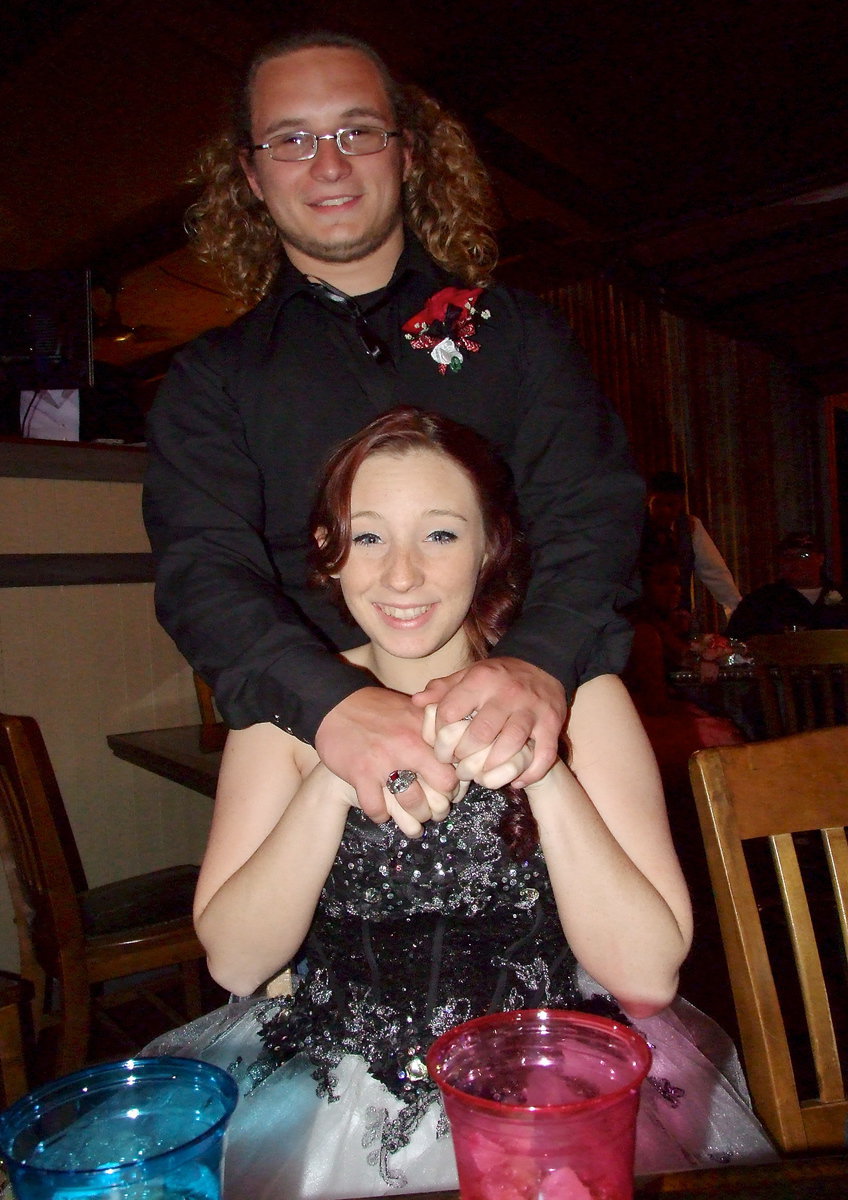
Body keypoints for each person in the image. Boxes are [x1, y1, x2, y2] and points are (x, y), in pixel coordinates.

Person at [148, 409, 774, 1199]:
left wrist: (542, 770)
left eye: (440, 534)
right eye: (369, 537)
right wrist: (334, 774)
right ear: (328, 552)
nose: (401, 575)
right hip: (332, 1099)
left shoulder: (583, 698)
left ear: (489, 547)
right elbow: (237, 964)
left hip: (552, 1095)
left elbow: (646, 977)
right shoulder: (282, 713)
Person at [142, 29, 645, 831]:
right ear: (251, 174)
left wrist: (539, 663)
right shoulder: (213, 379)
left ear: (407, 153)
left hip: (533, 739)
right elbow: (203, 573)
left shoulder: (521, 334)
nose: (329, 165)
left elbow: (593, 513)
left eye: (357, 131)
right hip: (308, 753)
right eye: (292, 139)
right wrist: (334, 704)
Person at [622, 556, 745, 794]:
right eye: (662, 582)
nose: (674, 589)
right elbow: (654, 703)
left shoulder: (659, 626)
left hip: (644, 718)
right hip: (640, 725)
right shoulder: (643, 632)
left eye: (677, 582)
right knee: (726, 736)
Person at [641, 471, 741, 619]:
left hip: (678, 619)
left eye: (671, 504)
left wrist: (738, 615)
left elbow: (717, 575)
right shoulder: (631, 530)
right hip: (639, 619)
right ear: (647, 500)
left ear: (681, 504)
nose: (665, 511)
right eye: (658, 504)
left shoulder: (690, 528)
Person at [727, 531, 848, 640]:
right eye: (787, 556)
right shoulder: (761, 601)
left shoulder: (843, 597)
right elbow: (736, 640)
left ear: (820, 559)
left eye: (803, 556)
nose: (794, 562)